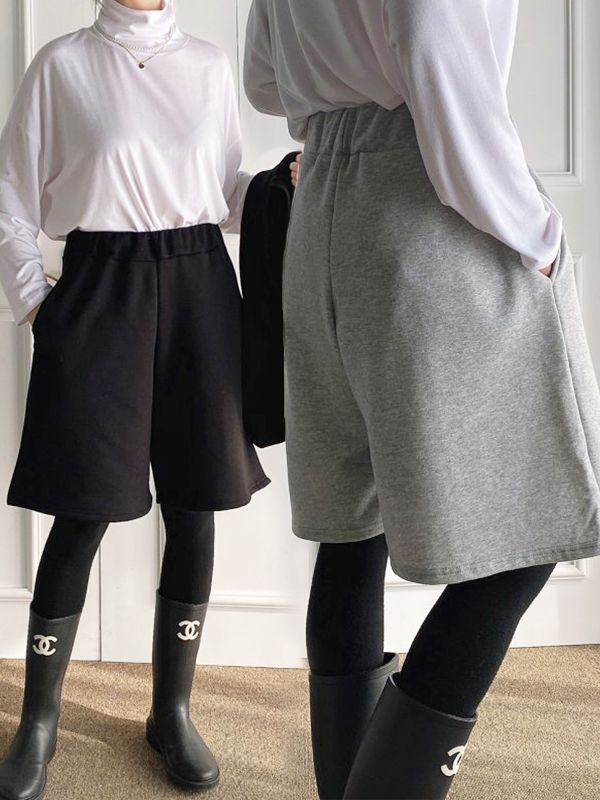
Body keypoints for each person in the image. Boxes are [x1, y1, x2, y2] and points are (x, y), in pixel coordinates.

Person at [244, 1, 600, 798]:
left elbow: (264, 81)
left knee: (351, 530)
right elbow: (436, 45)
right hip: (427, 204)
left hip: (322, 204)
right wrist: (535, 229)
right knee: (535, 518)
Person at [0, 1, 273, 797]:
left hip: (200, 288)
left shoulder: (207, 66)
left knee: (194, 505)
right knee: (81, 506)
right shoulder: (62, 65)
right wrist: (36, 304)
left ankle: (171, 712)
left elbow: (224, 191)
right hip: (101, 286)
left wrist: (278, 184)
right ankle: (39, 722)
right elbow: (11, 196)